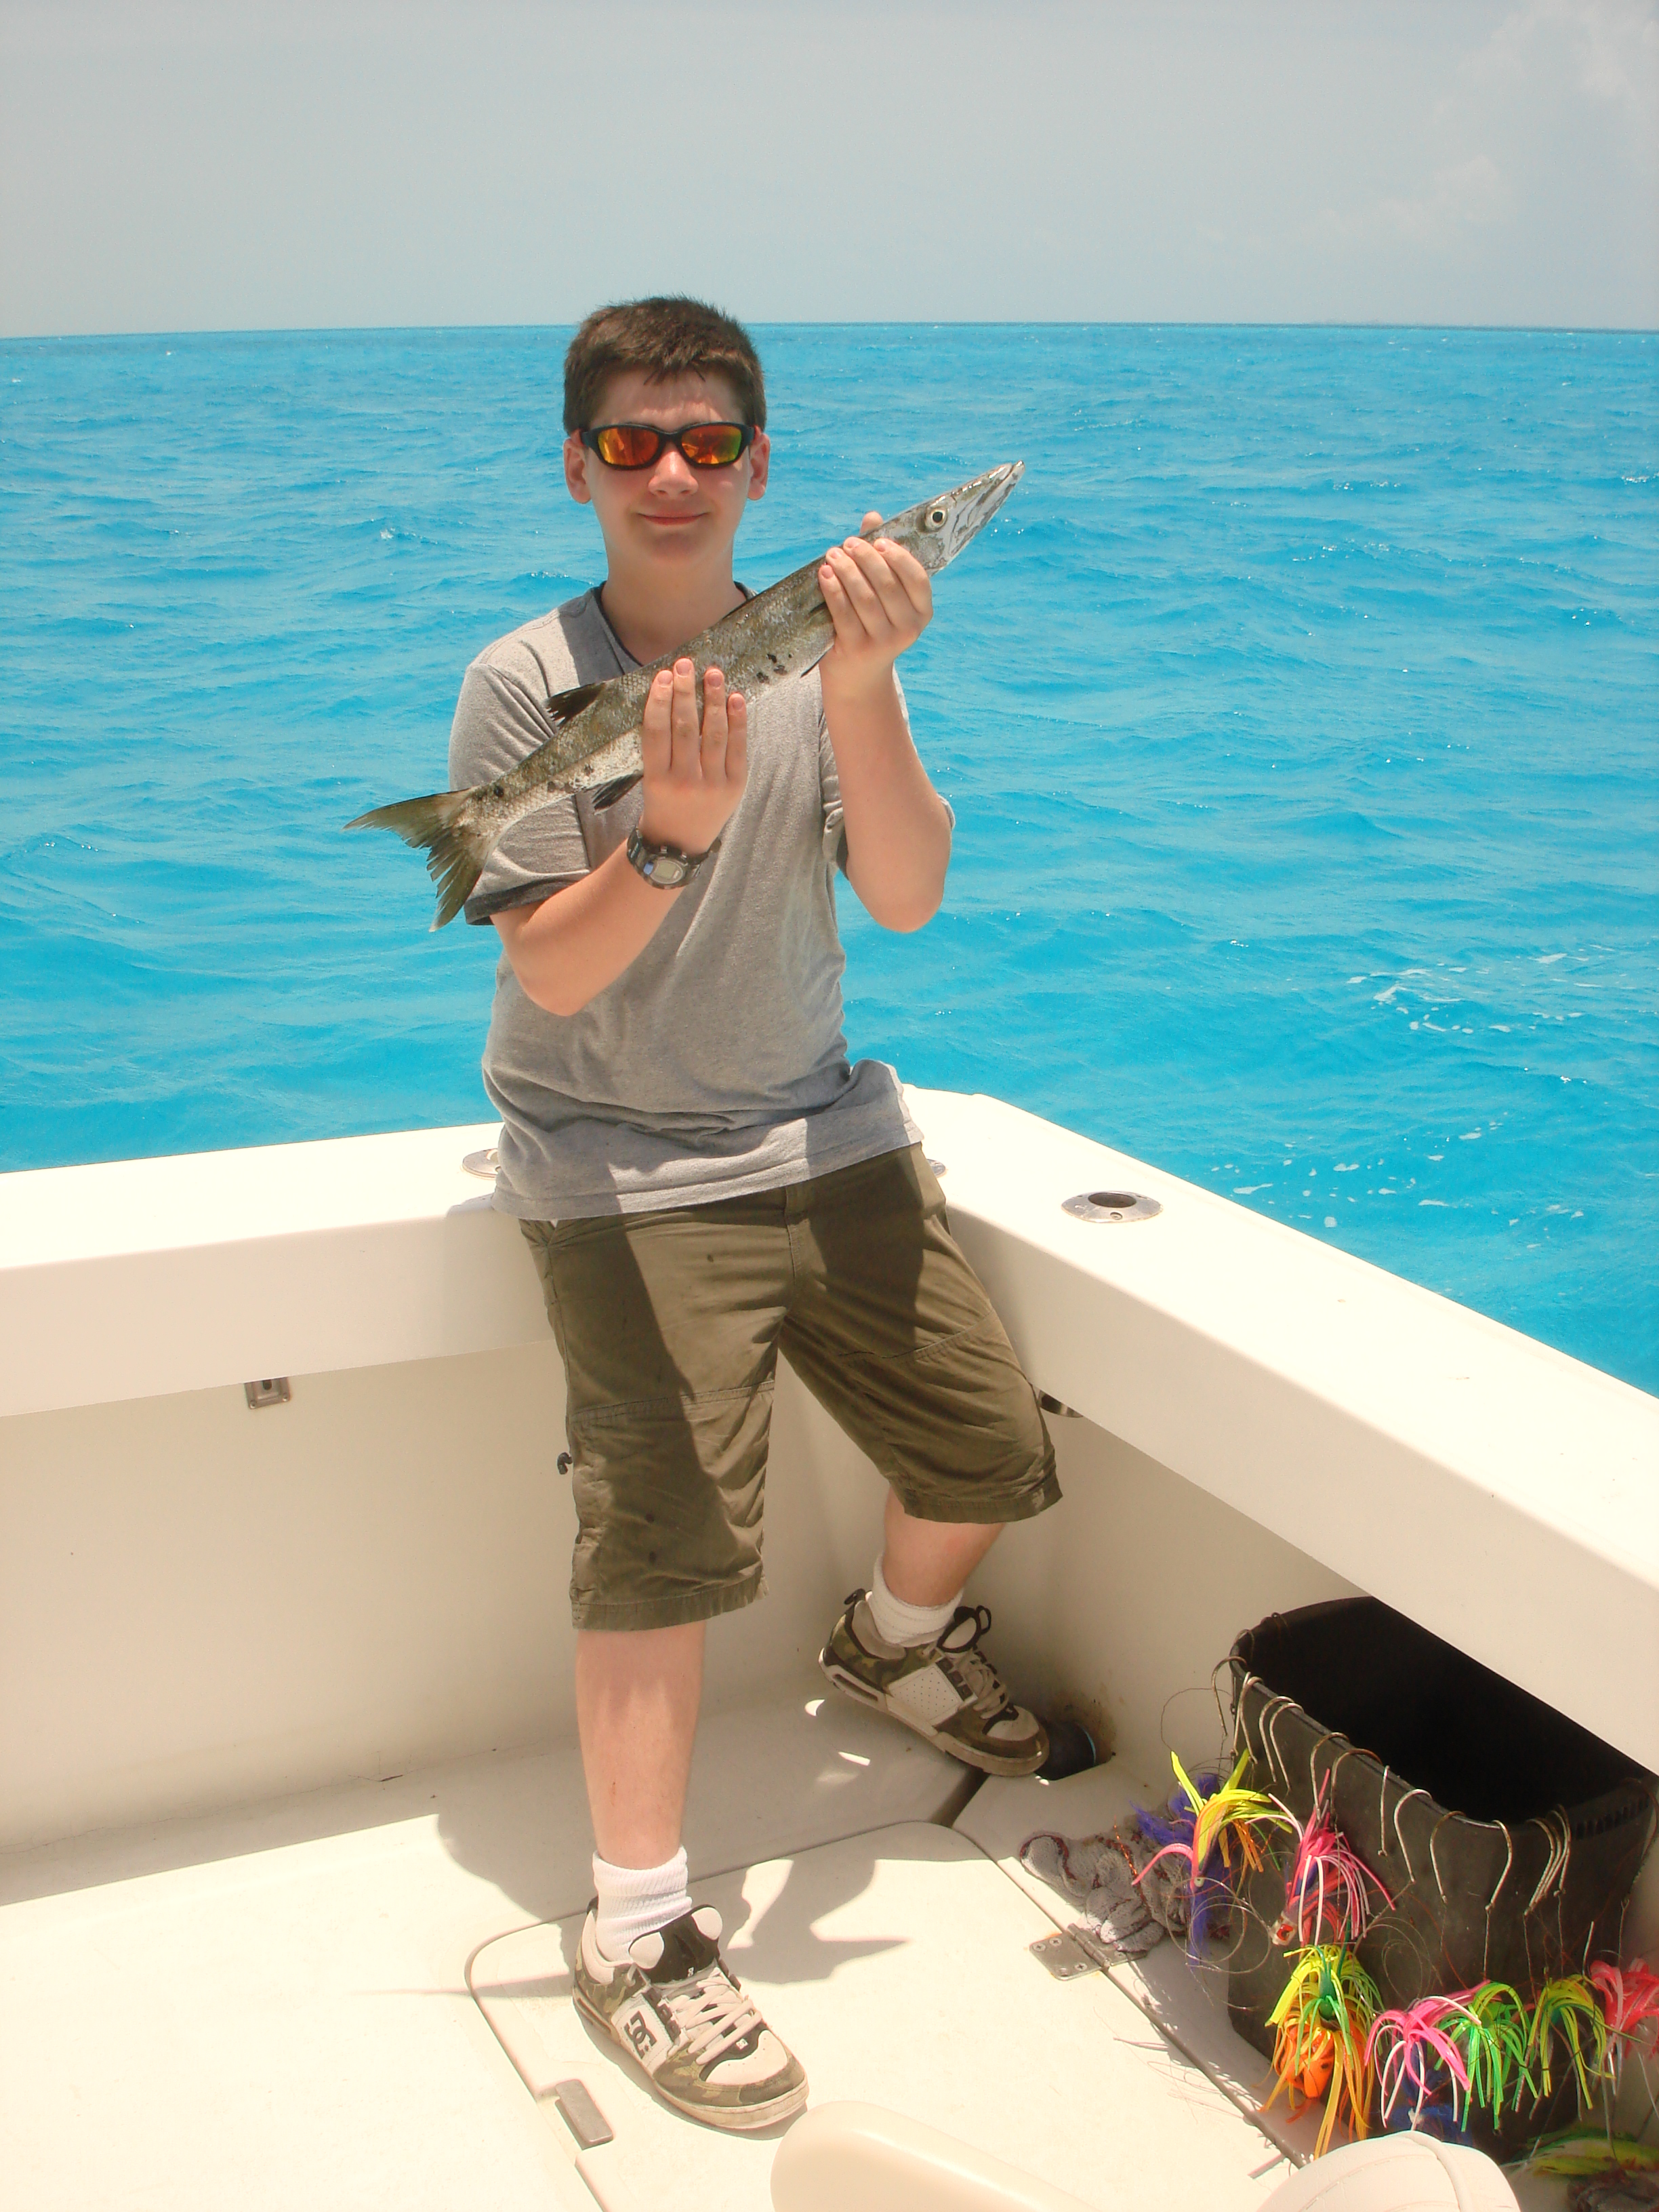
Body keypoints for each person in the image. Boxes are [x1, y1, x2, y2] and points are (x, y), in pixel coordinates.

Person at [449, 297, 1059, 2131]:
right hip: (615, 1164)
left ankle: (892, 1644)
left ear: (761, 467)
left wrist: (863, 688)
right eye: (632, 443)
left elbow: (911, 891)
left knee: (988, 1444)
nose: (671, 473)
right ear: (578, 467)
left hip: (820, 1129)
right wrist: (668, 834)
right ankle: (639, 1928)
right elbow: (553, 976)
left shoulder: (820, 652)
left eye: (707, 442)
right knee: (666, 1543)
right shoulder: (523, 684)